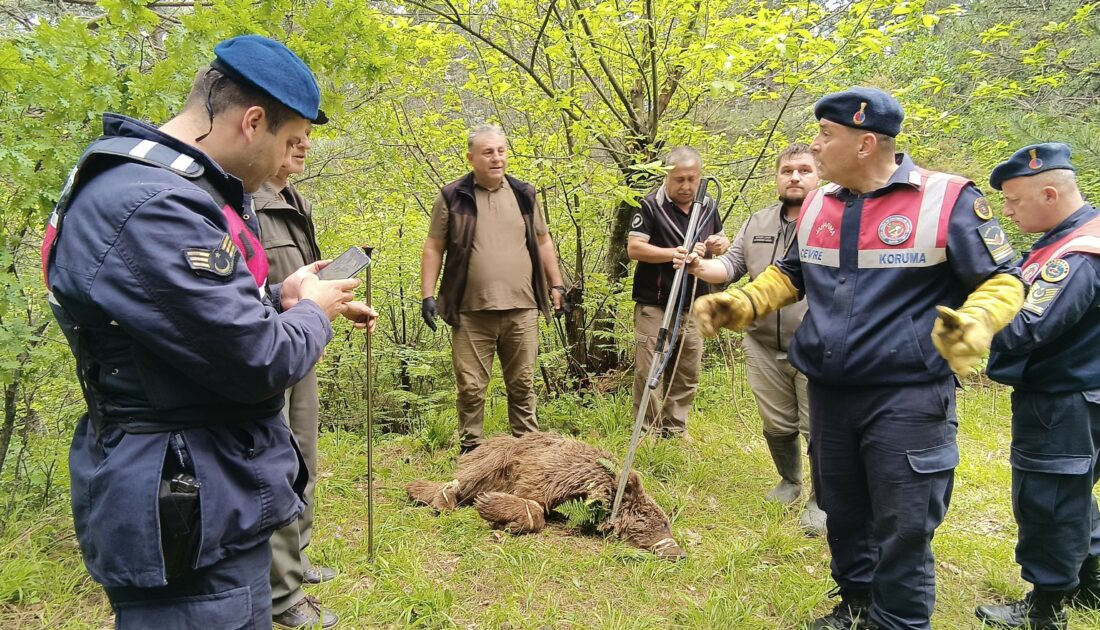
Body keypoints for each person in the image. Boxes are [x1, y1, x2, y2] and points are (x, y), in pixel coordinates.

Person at [41, 35, 376, 628]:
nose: (284, 166)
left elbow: (187, 327)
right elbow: (258, 359)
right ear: (252, 121)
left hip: (211, 491)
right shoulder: (149, 206)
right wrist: (312, 312)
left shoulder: (161, 189)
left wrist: (282, 296)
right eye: (287, 143)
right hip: (182, 500)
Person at [692, 87, 1025, 629]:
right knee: (842, 511)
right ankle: (856, 604)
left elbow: (1002, 279)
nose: (817, 149)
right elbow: (794, 273)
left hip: (907, 398)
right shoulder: (822, 202)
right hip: (829, 392)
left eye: (827, 136)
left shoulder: (948, 199)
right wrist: (744, 302)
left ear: (866, 142)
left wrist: (979, 320)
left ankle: (897, 621)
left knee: (903, 523)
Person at [974, 143, 1100, 630]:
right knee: (1075, 489)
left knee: (1047, 498)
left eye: (1012, 200)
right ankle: (1089, 581)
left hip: (1060, 399)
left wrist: (972, 320)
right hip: (1082, 391)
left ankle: (1045, 608)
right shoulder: (1072, 237)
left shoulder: (1074, 255)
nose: (1006, 210)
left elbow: (1027, 328)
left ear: (1049, 193)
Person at [674, 143, 826, 533]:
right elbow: (730, 265)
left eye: (804, 170)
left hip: (816, 345)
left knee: (820, 428)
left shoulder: (831, 222)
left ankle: (821, 499)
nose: (794, 177)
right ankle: (790, 482)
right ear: (776, 176)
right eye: (787, 170)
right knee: (776, 422)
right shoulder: (758, 221)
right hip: (761, 342)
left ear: (819, 175)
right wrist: (698, 265)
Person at [420, 124, 565, 453]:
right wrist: (427, 295)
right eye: (488, 152)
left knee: (523, 383)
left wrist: (557, 284)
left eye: (501, 150)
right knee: (471, 386)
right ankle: (473, 451)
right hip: (470, 310)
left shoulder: (524, 194)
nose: (496, 158)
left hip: (522, 306)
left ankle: (527, 450)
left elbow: (543, 241)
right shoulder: (452, 196)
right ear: (471, 157)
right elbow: (434, 247)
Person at [254, 131, 339, 628]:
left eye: (307, 140)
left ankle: (297, 557)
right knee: (276, 458)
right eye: (293, 139)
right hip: (265, 348)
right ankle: (279, 589)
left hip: (299, 343)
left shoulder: (291, 198)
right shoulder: (241, 200)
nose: (303, 147)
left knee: (303, 451)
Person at [627, 147, 728, 439]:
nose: (686, 186)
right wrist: (673, 253)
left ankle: (675, 429)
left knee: (687, 370)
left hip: (696, 301)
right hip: (656, 302)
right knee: (649, 370)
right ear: (666, 178)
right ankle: (646, 432)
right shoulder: (648, 205)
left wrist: (720, 245)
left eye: (691, 179)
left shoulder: (708, 205)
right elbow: (634, 248)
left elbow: (721, 240)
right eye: (679, 180)